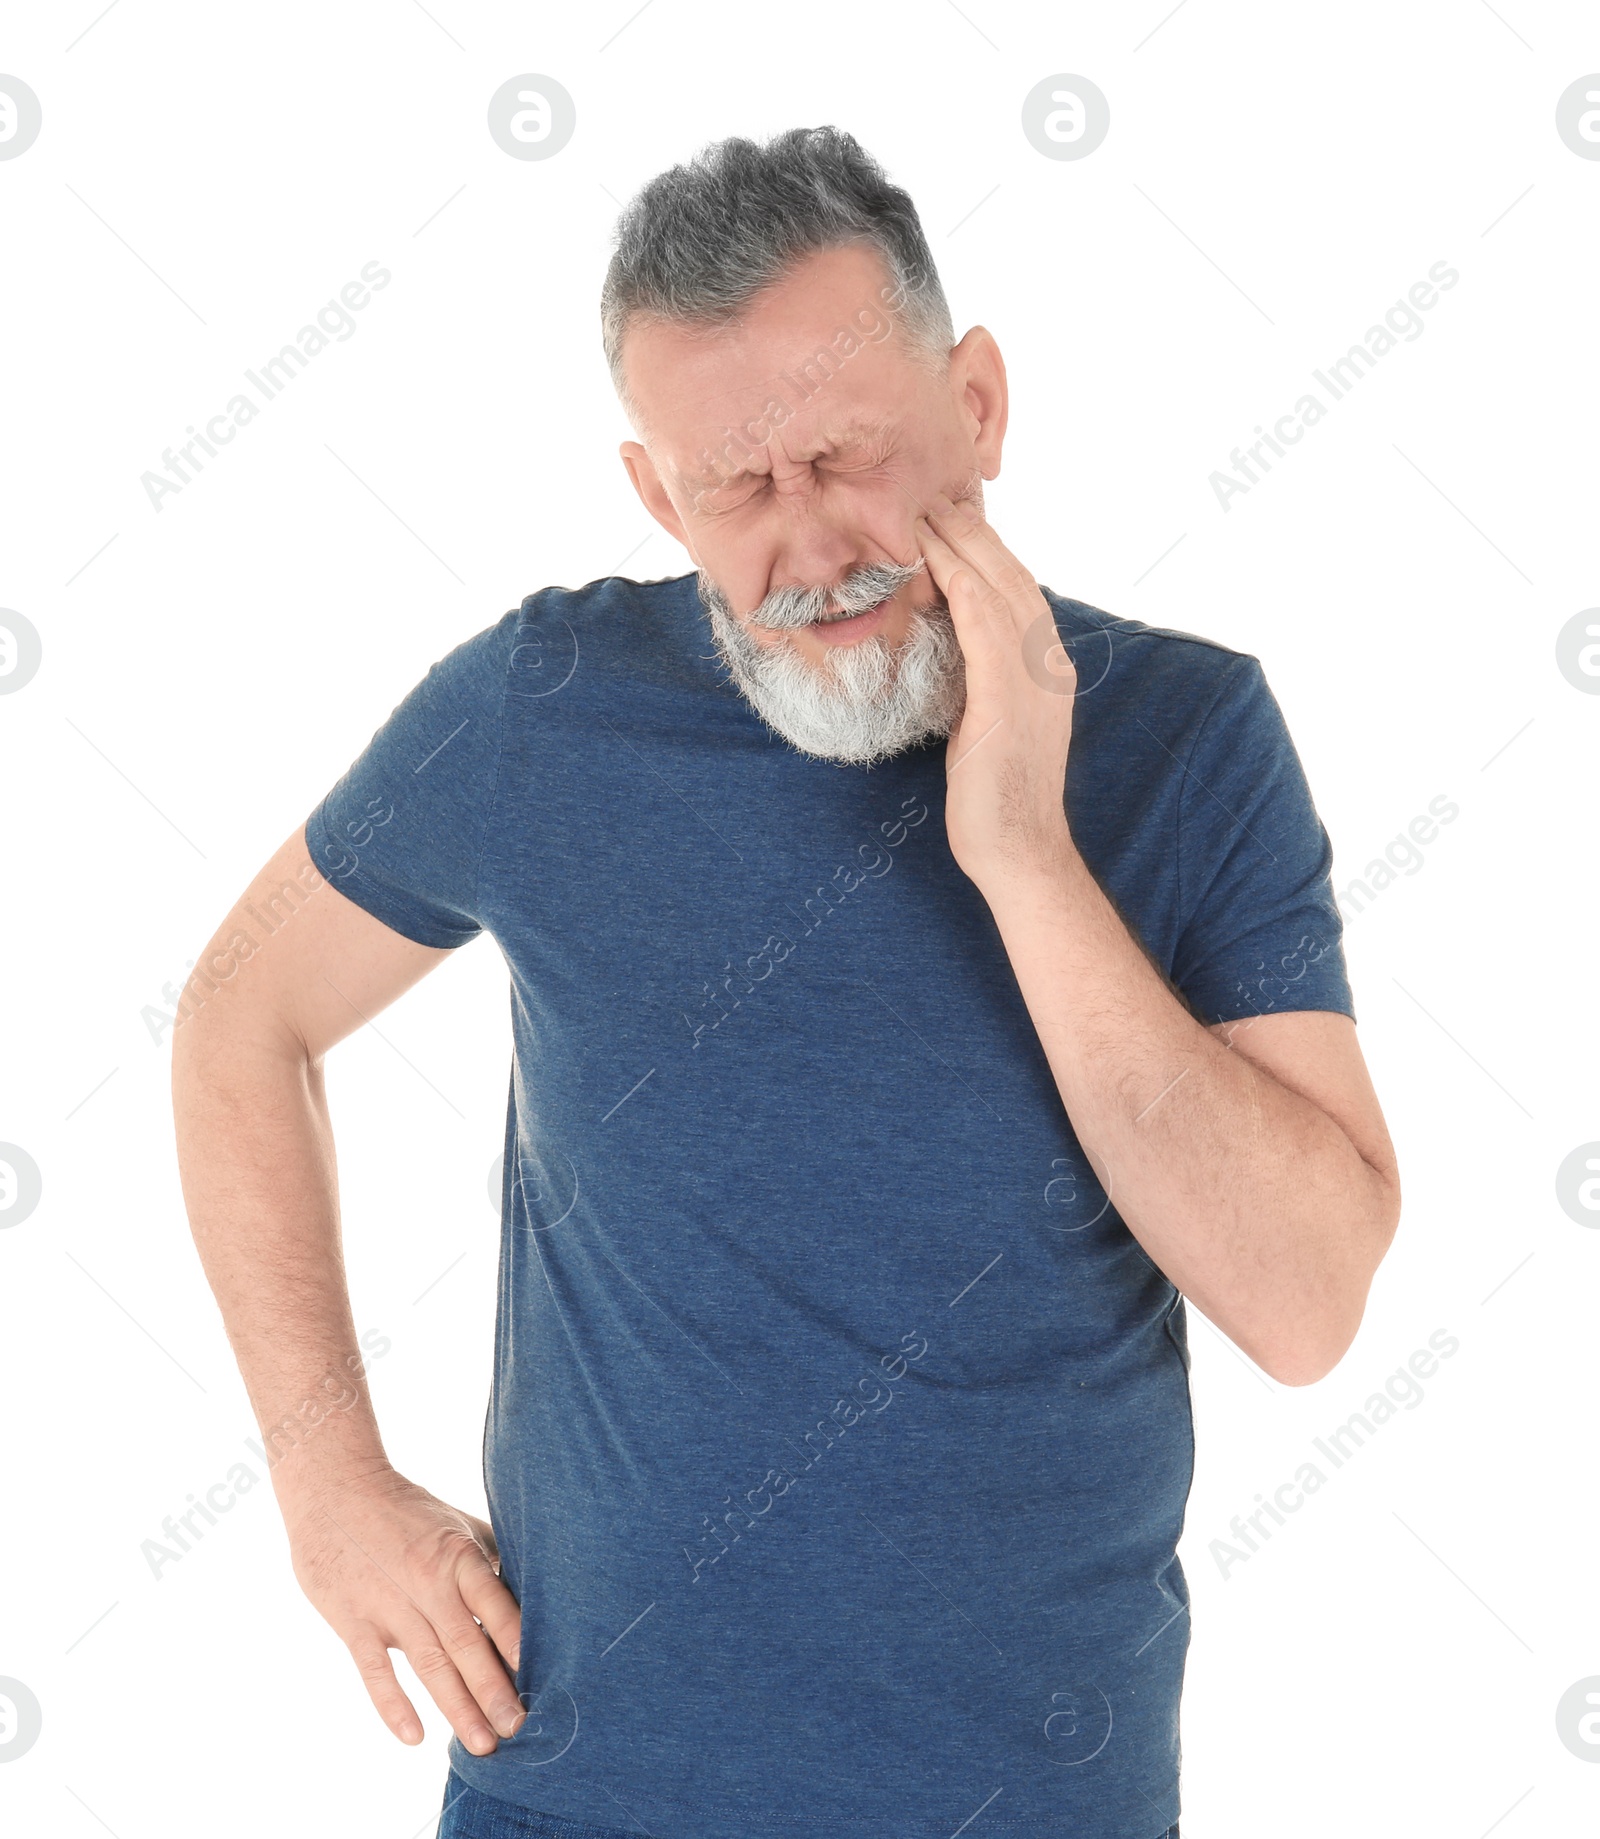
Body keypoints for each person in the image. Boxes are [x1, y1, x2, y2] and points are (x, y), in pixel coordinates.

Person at [171, 126, 1400, 1839]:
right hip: (577, 1794)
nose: (811, 546)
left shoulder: (1189, 739)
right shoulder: (541, 707)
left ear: (975, 403)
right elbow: (242, 1009)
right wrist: (322, 1481)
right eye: (736, 490)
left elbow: (1307, 1302)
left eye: (847, 457)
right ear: (656, 494)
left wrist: (1028, 854)